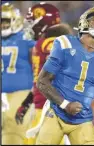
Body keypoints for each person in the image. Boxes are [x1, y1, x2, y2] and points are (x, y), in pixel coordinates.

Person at [36, 7, 94, 144]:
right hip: (56, 112)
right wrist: (65, 104)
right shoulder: (65, 44)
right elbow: (42, 81)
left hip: (83, 120)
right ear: (84, 22)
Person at [14, 3, 72, 145]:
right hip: (44, 107)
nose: (29, 27)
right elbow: (40, 81)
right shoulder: (44, 43)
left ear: (44, 24)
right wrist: (27, 103)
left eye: (32, 22)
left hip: (49, 110)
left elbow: (57, 77)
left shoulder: (50, 44)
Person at [1, 3, 35, 145]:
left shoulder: (25, 38)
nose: (3, 25)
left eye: (5, 22)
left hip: (20, 93)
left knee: (14, 129)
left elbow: (40, 62)